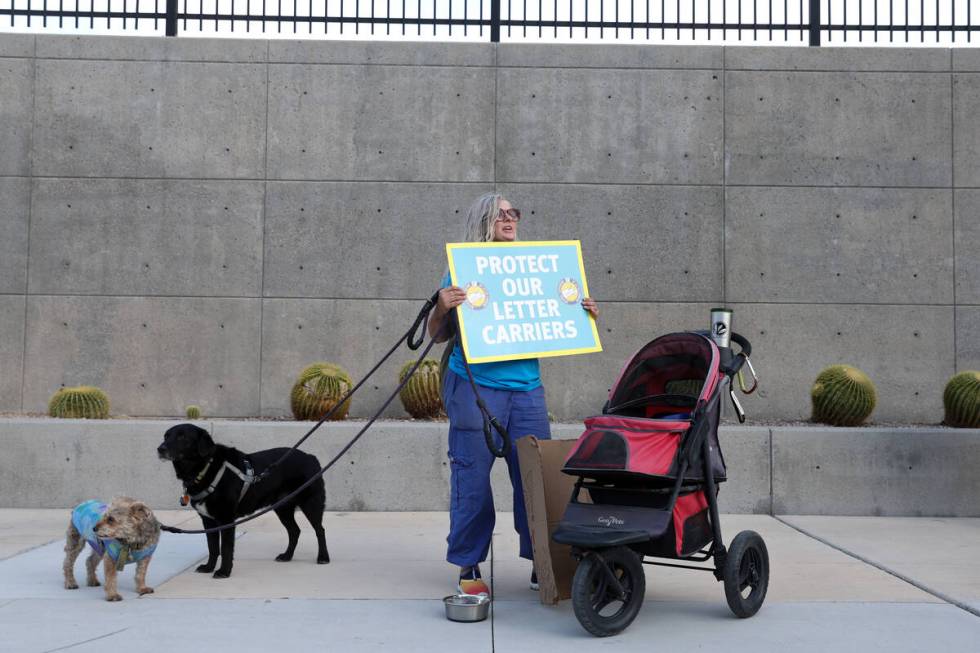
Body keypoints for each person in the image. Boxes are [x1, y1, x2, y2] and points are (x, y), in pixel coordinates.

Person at [428, 192, 599, 597]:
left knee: (536, 481)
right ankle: (468, 563)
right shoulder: (463, 269)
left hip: (526, 391)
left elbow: (556, 316)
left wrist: (582, 312)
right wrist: (441, 306)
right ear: (483, 222)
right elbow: (438, 335)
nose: (509, 219)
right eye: (499, 214)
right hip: (475, 388)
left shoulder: (540, 268)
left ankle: (543, 560)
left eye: (513, 213)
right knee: (471, 478)